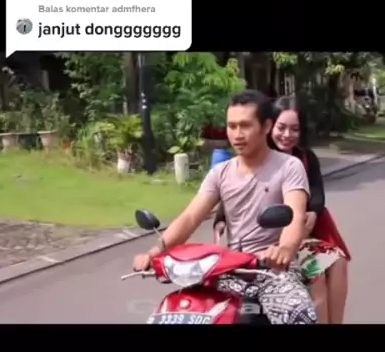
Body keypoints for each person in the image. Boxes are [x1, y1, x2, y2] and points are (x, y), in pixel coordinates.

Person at [133, 90, 317, 325]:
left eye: (245, 126)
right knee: (181, 312)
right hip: (229, 269)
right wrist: (154, 252)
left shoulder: (289, 167)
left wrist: (284, 250)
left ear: (266, 127)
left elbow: (295, 216)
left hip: (272, 271)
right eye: (232, 126)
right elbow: (190, 217)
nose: (237, 134)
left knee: (300, 315)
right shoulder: (220, 173)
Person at [213, 95, 351, 324]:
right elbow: (233, 192)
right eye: (282, 128)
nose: (287, 135)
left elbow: (316, 194)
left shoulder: (302, 159)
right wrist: (220, 219)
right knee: (314, 274)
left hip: (297, 236)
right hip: (262, 243)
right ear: (268, 127)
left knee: (337, 260)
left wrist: (312, 213)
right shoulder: (253, 156)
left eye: (294, 129)